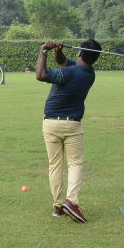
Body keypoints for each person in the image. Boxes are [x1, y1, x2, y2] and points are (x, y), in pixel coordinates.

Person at [35, 39, 100, 223]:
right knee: (75, 164)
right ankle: (71, 201)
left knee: (55, 164)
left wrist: (43, 51)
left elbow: (40, 75)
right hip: (73, 124)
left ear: (79, 52)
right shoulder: (89, 73)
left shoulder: (69, 73)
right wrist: (58, 51)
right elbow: (63, 62)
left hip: (51, 123)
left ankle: (59, 206)